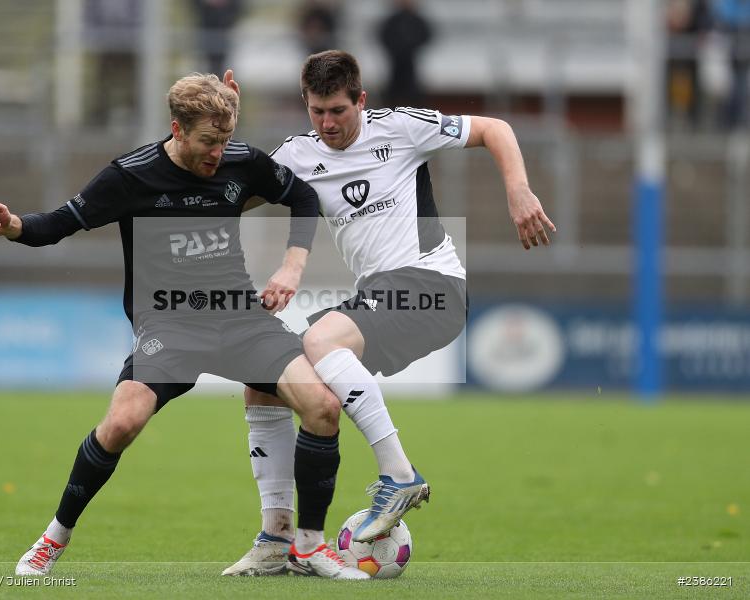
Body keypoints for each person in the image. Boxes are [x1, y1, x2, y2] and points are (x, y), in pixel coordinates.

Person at [0, 72, 369, 580]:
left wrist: (292, 267)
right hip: (170, 325)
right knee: (122, 423)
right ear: (177, 130)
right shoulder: (130, 176)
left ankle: (308, 547)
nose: (218, 154)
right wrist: (11, 225)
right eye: (208, 142)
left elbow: (304, 196)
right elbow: (56, 225)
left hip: (240, 318)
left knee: (323, 407)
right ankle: (54, 537)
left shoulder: (240, 159)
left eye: (225, 140)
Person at [222, 51, 555, 576]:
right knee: (268, 381)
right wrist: (226, 138)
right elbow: (227, 198)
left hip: (433, 285)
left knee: (321, 339)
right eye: (317, 112)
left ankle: (398, 474)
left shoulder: (400, 128)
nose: (328, 124)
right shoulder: (297, 155)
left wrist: (518, 190)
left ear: (361, 100)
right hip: (381, 297)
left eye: (338, 110)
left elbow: (496, 128)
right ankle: (276, 539)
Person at [378, 0, 433, 109]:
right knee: (393, 91)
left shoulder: (417, 20)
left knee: (413, 89)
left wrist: (411, 47)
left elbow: (426, 35)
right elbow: (384, 37)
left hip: (410, 61)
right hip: (396, 61)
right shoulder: (393, 20)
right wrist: (395, 48)